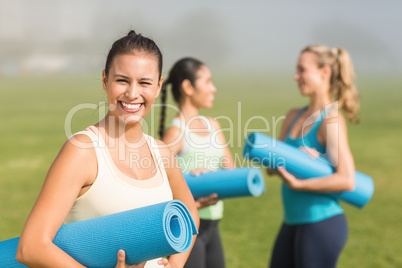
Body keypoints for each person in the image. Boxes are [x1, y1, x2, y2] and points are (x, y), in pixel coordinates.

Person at [16, 30, 199, 268]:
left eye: (144, 82)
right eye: (122, 80)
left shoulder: (162, 153)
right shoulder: (82, 151)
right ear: (105, 80)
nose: (133, 93)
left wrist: (175, 265)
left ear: (158, 86)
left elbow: (190, 214)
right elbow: (31, 247)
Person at [268, 44, 360, 268]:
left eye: (302, 70)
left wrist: (300, 184)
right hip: (291, 220)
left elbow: (347, 180)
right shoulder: (292, 115)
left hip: (322, 222)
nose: (296, 76)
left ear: (324, 72)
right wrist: (286, 159)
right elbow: (272, 169)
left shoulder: (331, 120)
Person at [159, 58, 234, 268]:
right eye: (208, 82)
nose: (213, 88)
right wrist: (191, 182)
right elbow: (156, 182)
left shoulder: (213, 125)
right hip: (187, 226)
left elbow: (231, 170)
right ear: (188, 87)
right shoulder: (176, 132)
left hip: (213, 224)